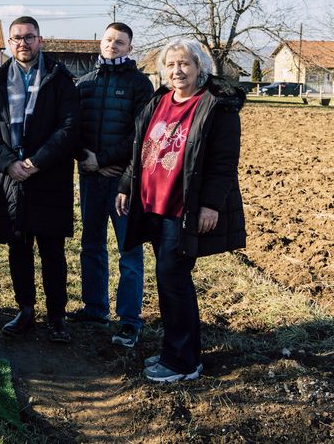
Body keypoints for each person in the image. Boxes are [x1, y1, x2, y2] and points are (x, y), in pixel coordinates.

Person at [116, 38, 245, 382]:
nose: (177, 71)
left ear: (200, 67)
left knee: (173, 278)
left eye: (185, 63)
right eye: (171, 65)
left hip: (182, 209)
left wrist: (210, 205)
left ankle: (183, 362)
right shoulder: (159, 100)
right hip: (152, 205)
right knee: (169, 278)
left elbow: (224, 162)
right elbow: (142, 147)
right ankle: (178, 350)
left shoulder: (215, 105)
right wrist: (128, 185)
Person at [0, 16, 80, 343]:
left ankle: (57, 317)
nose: (23, 43)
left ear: (41, 40)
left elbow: (69, 127)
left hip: (49, 174)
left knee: (52, 250)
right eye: (17, 38)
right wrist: (8, 163)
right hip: (11, 177)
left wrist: (37, 162)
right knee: (18, 247)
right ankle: (24, 311)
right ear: (9, 43)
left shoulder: (60, 79)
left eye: (29, 37)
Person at [66, 22, 154, 348]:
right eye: (108, 40)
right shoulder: (84, 84)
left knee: (129, 251)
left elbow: (141, 137)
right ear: (100, 43)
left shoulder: (139, 85)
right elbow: (71, 128)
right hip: (89, 180)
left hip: (124, 183)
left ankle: (129, 319)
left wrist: (101, 159)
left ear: (129, 48)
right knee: (91, 245)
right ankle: (95, 308)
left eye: (120, 42)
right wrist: (83, 156)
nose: (112, 45)